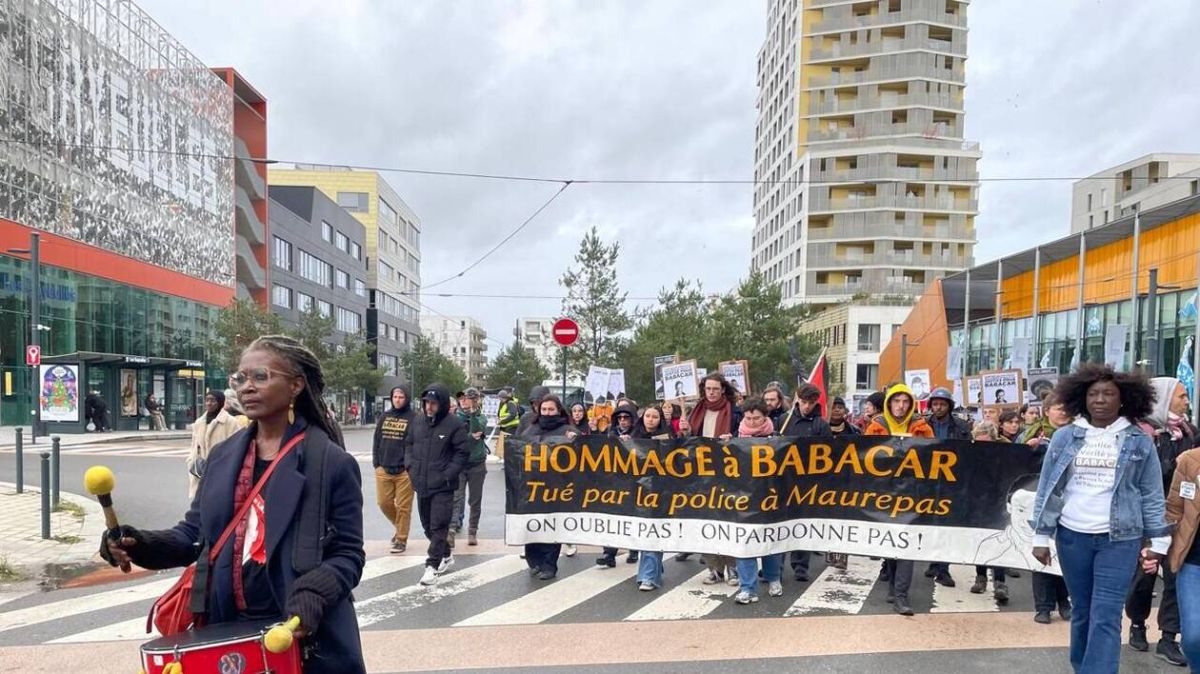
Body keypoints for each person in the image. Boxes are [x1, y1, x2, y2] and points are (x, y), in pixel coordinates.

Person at [100, 335, 366, 674]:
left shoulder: (331, 462)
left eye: (261, 376)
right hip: (227, 629)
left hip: (300, 633)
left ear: (296, 385)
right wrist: (140, 543)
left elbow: (348, 554)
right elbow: (195, 535)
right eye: (240, 378)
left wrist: (314, 591)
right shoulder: (224, 456)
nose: (246, 387)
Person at [1029, 364, 1168, 674]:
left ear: (1124, 400)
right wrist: (1040, 535)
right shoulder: (1065, 437)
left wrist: (1159, 540)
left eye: (1109, 394)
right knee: (1082, 612)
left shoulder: (1138, 440)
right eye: (1094, 394)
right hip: (1071, 537)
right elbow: (1048, 487)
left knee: (1106, 613)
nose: (1100, 399)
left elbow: (1151, 493)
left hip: (1119, 540)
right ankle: (1083, 668)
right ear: (1082, 398)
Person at [1126, 377, 1195, 665]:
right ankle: (1137, 624)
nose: (1186, 401)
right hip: (1146, 520)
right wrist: (1173, 464)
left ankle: (1169, 637)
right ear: (1163, 399)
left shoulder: (1189, 433)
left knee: (1176, 578)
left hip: (1179, 520)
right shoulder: (1141, 435)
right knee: (1144, 578)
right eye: (1181, 396)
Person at [865, 383, 934, 616]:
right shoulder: (876, 427)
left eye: (905, 402)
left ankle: (901, 595)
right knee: (890, 542)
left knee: (907, 543)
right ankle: (893, 586)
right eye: (896, 401)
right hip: (884, 492)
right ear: (889, 403)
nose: (901, 406)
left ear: (911, 404)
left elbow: (932, 456)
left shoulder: (922, 427)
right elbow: (865, 457)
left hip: (912, 493)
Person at [679, 373, 742, 585]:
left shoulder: (734, 412)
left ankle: (732, 568)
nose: (712, 392)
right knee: (705, 521)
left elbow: (743, 438)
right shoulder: (697, 411)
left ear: (723, 389)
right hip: (701, 474)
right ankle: (714, 569)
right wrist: (686, 432)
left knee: (728, 521)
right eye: (708, 389)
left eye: (715, 388)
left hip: (726, 473)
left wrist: (732, 439)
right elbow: (688, 444)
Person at [407, 384, 470, 586]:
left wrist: (447, 474)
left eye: (433, 403)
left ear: (441, 404)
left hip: (443, 485)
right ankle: (446, 555)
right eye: (426, 403)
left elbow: (462, 453)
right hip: (421, 482)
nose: (429, 407)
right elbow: (408, 444)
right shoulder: (417, 421)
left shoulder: (454, 425)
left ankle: (431, 566)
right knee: (428, 527)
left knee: (439, 525)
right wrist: (409, 466)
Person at [1020, 395, 1073, 626]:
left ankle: (1064, 602)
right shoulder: (1031, 434)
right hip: (1038, 501)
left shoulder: (1076, 435)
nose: (1062, 413)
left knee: (1063, 555)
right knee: (1042, 554)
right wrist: (1027, 450)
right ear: (1047, 411)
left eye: (1066, 408)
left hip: (1067, 504)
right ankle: (1043, 606)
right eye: (1058, 408)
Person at [775, 383, 831, 581]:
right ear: (797, 399)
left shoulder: (821, 425)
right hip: (784, 479)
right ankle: (777, 566)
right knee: (780, 524)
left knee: (802, 524)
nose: (807, 406)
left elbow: (828, 455)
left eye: (811, 403)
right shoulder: (783, 420)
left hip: (808, 481)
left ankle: (800, 565)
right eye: (804, 402)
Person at [733, 397, 785, 604]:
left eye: (757, 418)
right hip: (742, 498)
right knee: (743, 543)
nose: (752, 422)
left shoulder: (777, 438)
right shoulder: (735, 437)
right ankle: (747, 588)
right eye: (748, 418)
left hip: (770, 498)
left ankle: (773, 578)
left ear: (765, 417)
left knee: (768, 542)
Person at [1161, 391, 1200, 669]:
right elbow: (1174, 508)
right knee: (1194, 636)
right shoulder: (1190, 461)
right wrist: (1156, 546)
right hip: (1193, 562)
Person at [520, 395, 577, 579]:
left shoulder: (567, 430)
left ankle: (549, 565)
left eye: (551, 409)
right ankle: (534, 560)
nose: (547, 413)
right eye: (544, 409)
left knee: (552, 526)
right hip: (532, 485)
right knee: (533, 524)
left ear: (558, 410)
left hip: (556, 486)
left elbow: (581, 453)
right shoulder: (530, 429)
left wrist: (575, 440)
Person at [924, 386, 971, 588]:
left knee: (946, 526)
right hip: (926, 481)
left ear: (949, 406)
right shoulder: (922, 425)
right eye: (935, 404)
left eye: (942, 404)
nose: (938, 407)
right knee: (929, 525)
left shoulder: (961, 427)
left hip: (951, 481)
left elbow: (969, 451)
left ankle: (943, 569)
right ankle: (934, 561)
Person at [632, 405, 675, 591]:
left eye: (655, 416)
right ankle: (653, 568)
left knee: (652, 531)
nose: (650, 419)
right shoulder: (633, 438)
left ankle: (648, 576)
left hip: (660, 491)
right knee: (643, 533)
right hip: (637, 491)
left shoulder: (669, 439)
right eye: (647, 416)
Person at [373, 387, 415, 554]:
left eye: (401, 397)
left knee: (404, 507)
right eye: (395, 397)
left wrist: (410, 465)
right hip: (384, 468)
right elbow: (377, 440)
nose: (397, 400)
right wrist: (377, 463)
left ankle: (401, 539)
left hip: (404, 471)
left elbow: (415, 443)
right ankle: (399, 528)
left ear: (407, 398)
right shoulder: (385, 416)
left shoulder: (414, 418)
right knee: (383, 503)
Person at [186, 389, 250, 498]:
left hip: (222, 471)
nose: (209, 403)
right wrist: (191, 461)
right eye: (207, 400)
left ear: (220, 402)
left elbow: (238, 447)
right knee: (200, 503)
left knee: (217, 501)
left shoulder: (231, 422)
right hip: (201, 472)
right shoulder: (199, 423)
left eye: (213, 400)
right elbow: (194, 447)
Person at [598, 402, 639, 567]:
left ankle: (634, 548)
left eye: (626, 417)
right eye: (620, 417)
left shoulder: (639, 432)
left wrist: (633, 442)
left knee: (633, 516)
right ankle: (609, 553)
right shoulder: (610, 433)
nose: (623, 421)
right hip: (614, 480)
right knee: (612, 515)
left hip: (634, 480)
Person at [450, 388, 489, 548]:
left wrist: (473, 414)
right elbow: (454, 438)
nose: (465, 401)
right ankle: (451, 531)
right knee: (456, 499)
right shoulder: (454, 418)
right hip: (459, 464)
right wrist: (468, 437)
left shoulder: (481, 417)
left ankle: (472, 531)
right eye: (463, 398)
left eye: (470, 399)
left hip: (477, 464)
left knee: (475, 500)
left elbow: (476, 430)